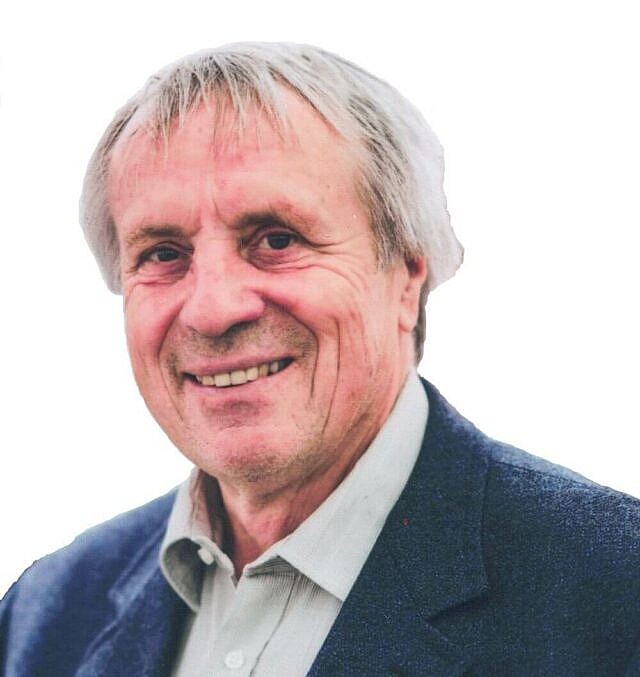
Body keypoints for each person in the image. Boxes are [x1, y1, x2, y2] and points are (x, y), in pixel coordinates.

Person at [1, 42, 639, 677]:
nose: (212, 310)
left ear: (407, 276)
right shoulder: (45, 616)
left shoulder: (613, 591)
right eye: (164, 254)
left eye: (276, 240)